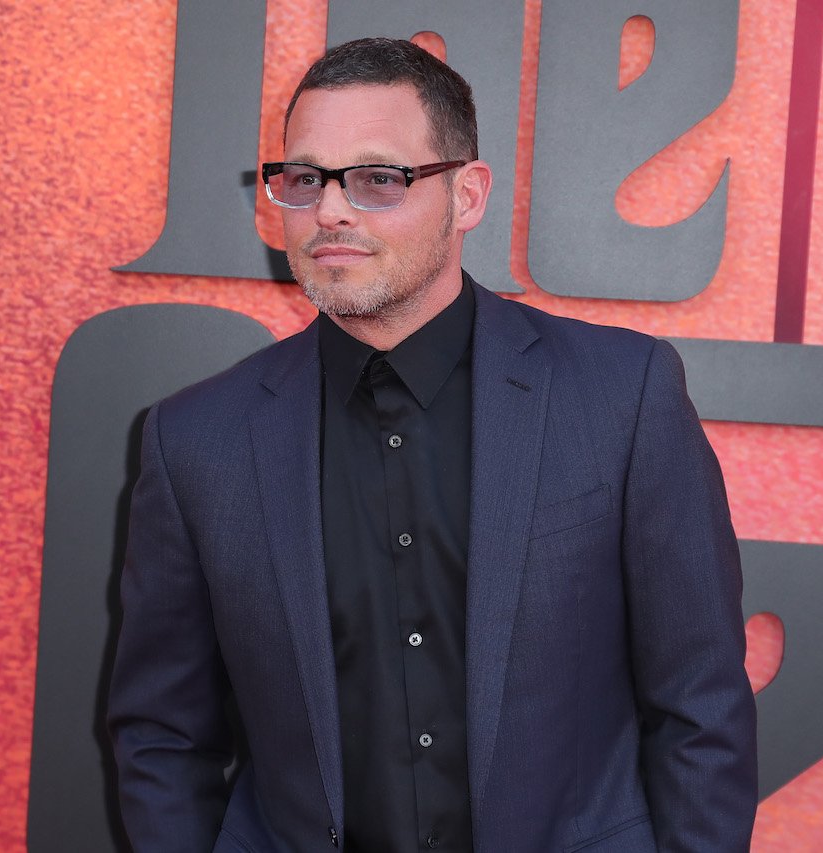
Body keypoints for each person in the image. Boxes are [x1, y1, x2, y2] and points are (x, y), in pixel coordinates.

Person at [108, 37, 757, 852]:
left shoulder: (621, 395)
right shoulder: (194, 440)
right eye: (306, 179)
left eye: (379, 178)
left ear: (470, 194)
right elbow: (164, 734)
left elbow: (701, 704)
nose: (332, 211)